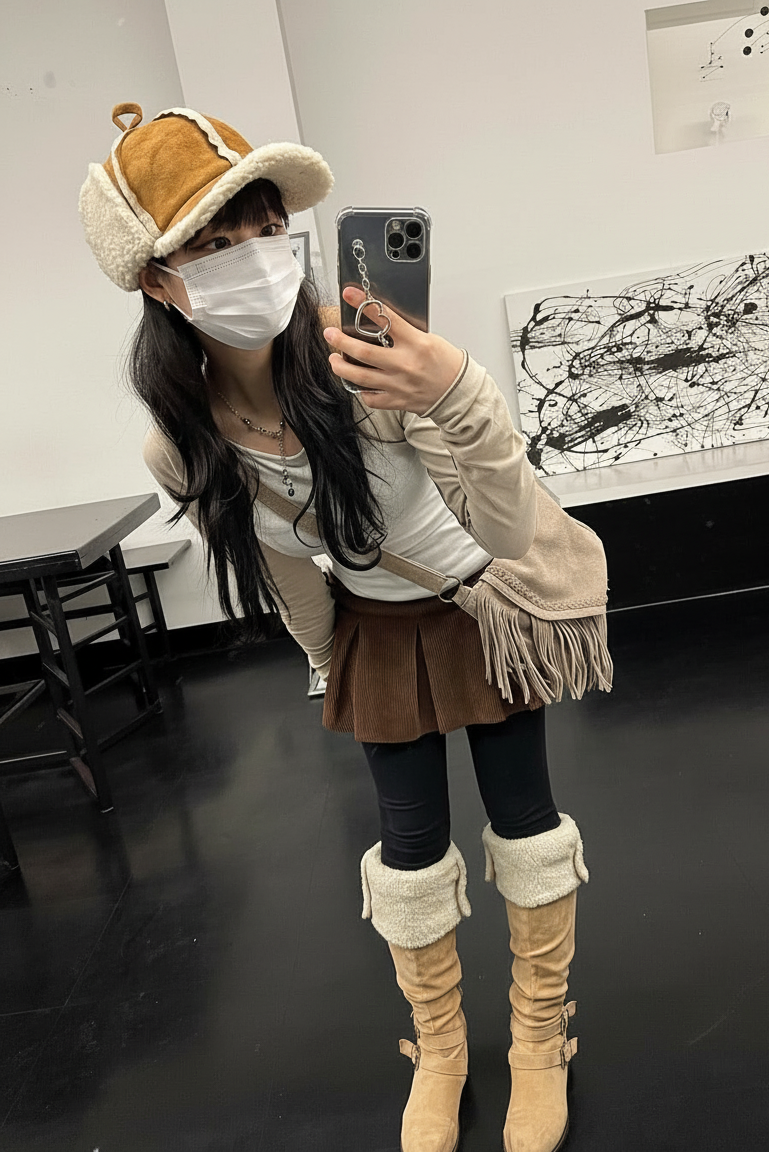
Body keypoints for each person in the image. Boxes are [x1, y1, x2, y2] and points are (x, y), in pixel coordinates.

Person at [80, 103, 592, 1152]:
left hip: (479, 609)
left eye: (266, 230)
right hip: (375, 632)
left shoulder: (369, 362)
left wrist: (455, 390)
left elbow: (502, 530)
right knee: (408, 850)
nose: (255, 258)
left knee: (526, 826)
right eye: (215, 244)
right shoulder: (181, 442)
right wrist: (329, 661)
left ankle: (540, 1037)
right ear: (159, 282)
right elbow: (277, 560)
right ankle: (440, 1049)